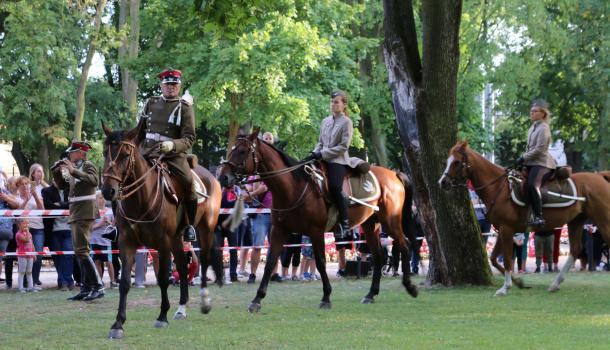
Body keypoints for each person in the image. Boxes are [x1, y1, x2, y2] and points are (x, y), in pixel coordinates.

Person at [139, 68, 197, 242]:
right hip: (148, 153)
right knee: (123, 176)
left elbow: (189, 138)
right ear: (161, 85)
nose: (171, 87)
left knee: (188, 183)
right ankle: (117, 226)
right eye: (167, 84)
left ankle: (189, 226)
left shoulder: (184, 107)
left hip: (172, 156)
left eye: (174, 84)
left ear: (179, 86)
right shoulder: (151, 102)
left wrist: (173, 144)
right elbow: (139, 131)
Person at [302, 90, 367, 240]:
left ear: (344, 105)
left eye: (337, 102)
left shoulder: (347, 122)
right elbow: (320, 143)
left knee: (335, 187)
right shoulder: (325, 121)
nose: (333, 104)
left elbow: (343, 146)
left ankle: (344, 223)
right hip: (321, 158)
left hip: (338, 161)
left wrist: (323, 154)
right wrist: (314, 153)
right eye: (332, 102)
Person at [51, 140, 104, 301]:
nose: (69, 155)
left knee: (82, 251)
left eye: (72, 152)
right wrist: (56, 171)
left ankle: (98, 286)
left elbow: (94, 181)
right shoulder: (74, 168)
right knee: (79, 252)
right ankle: (86, 288)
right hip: (76, 212)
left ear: (81, 153)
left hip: (85, 211)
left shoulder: (88, 165)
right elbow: (62, 185)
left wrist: (73, 170)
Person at [515, 99, 556, 227]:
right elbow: (530, 148)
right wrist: (523, 161)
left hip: (543, 163)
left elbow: (539, 149)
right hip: (531, 162)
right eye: (531, 111)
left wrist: (523, 158)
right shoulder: (532, 127)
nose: (531, 113)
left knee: (533, 185)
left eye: (535, 111)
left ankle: (539, 217)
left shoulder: (544, 128)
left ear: (543, 113)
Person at [42, 179, 74, 291]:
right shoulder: (46, 191)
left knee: (68, 254)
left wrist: (59, 204)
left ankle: (68, 280)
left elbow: (73, 205)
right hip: (53, 230)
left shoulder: (70, 190)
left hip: (69, 228)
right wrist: (65, 205)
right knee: (57, 256)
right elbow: (48, 206)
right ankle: (63, 281)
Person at [90, 193, 117, 289]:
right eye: (100, 198)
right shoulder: (93, 212)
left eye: (104, 197)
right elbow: (90, 228)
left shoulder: (110, 211)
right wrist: (100, 224)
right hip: (94, 241)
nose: (103, 200)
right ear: (96, 199)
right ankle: (99, 282)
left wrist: (109, 223)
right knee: (97, 262)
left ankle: (113, 281)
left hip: (106, 241)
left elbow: (114, 226)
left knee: (109, 262)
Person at [15, 219, 38, 292]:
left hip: (30, 255)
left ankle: (30, 287)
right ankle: (21, 287)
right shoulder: (19, 234)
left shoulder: (29, 234)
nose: (26, 225)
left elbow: (32, 244)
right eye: (24, 224)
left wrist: (34, 253)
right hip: (22, 256)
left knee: (29, 272)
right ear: (19, 225)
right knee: (22, 272)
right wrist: (27, 232)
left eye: (27, 224)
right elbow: (26, 240)